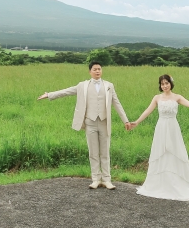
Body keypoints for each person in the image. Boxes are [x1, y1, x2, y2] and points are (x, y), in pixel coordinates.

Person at [37, 61, 131, 189]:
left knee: (105, 152)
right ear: (90, 71)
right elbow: (67, 91)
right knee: (93, 152)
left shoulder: (109, 85)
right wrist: (49, 95)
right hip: (90, 123)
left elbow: (117, 103)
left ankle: (107, 179)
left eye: (99, 69)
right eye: (94, 69)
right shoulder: (83, 85)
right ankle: (96, 179)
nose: (97, 71)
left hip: (104, 122)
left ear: (101, 70)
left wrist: (125, 120)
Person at [130, 74, 189, 201]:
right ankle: (160, 184)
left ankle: (177, 182)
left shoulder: (177, 97)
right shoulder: (157, 98)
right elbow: (147, 111)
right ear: (160, 85)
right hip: (161, 127)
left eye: (166, 83)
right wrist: (137, 121)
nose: (164, 86)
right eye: (162, 84)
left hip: (173, 128)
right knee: (161, 152)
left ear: (171, 84)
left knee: (175, 152)